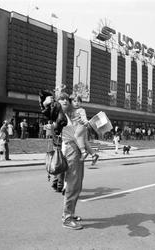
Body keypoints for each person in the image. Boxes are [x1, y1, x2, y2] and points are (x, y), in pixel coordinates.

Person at [39, 90, 84, 230]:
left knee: (77, 185)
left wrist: (90, 151)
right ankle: (67, 217)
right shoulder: (58, 114)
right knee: (72, 185)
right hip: (70, 150)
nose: (65, 101)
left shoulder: (72, 115)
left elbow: (81, 135)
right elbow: (46, 111)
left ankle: (71, 213)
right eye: (61, 99)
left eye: (66, 99)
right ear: (57, 102)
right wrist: (45, 102)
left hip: (77, 151)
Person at [69, 94, 99, 165]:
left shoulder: (81, 110)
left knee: (76, 136)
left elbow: (84, 117)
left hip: (81, 126)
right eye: (75, 101)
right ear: (71, 102)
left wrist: (85, 121)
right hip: (80, 129)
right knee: (85, 141)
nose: (77, 103)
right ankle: (93, 154)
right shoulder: (71, 110)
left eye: (79, 101)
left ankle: (83, 152)